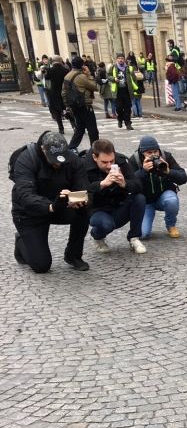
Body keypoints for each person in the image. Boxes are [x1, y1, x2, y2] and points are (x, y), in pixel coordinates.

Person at [11, 130, 90, 273]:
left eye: (62, 161)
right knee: (42, 266)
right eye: (54, 161)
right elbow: (25, 195)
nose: (58, 165)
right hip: (29, 212)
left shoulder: (72, 159)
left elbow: (83, 186)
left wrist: (77, 198)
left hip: (59, 204)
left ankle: (73, 255)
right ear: (43, 150)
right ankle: (21, 241)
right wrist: (50, 207)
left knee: (84, 209)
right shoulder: (26, 159)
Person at [83, 137, 147, 255]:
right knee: (106, 224)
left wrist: (125, 184)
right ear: (94, 157)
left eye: (111, 161)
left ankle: (134, 238)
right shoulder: (83, 165)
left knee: (139, 198)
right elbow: (80, 192)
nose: (109, 165)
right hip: (96, 209)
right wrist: (101, 184)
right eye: (104, 162)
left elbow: (138, 185)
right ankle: (97, 236)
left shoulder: (121, 161)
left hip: (118, 205)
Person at [132, 134, 187, 240]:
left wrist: (168, 171)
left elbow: (183, 178)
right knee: (143, 234)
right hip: (146, 202)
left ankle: (171, 225)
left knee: (171, 200)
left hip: (164, 196)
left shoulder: (166, 156)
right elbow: (130, 185)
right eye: (149, 153)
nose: (153, 155)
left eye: (155, 151)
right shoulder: (134, 160)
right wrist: (143, 171)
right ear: (142, 153)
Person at [62, 56, 99, 150]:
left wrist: (67, 105)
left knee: (80, 129)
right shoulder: (81, 77)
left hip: (74, 105)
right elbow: (94, 86)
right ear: (82, 65)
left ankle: (71, 148)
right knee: (92, 130)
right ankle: (96, 149)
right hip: (85, 105)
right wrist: (89, 74)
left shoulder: (67, 75)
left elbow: (63, 92)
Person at [109, 52, 135, 130]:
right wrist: (114, 79)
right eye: (119, 58)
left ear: (124, 59)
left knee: (127, 108)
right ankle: (120, 119)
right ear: (117, 59)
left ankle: (128, 123)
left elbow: (133, 78)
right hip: (118, 91)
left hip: (126, 90)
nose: (121, 60)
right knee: (119, 108)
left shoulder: (128, 68)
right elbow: (108, 75)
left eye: (122, 58)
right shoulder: (113, 67)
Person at [44, 56, 69, 135]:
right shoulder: (65, 70)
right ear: (60, 61)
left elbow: (47, 80)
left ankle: (61, 128)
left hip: (54, 93)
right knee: (68, 109)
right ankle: (74, 125)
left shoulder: (50, 70)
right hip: (64, 92)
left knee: (57, 112)